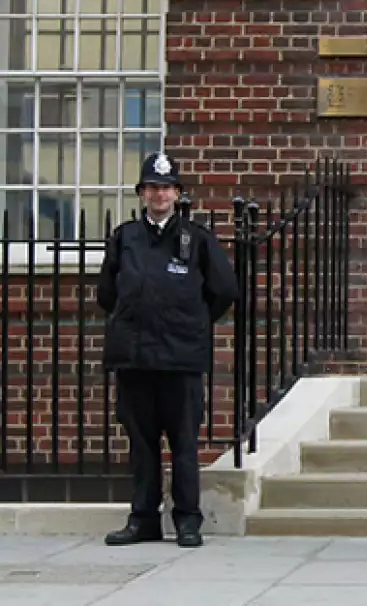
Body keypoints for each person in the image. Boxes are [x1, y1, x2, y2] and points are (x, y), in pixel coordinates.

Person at [97, 152, 238, 549]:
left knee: (183, 444)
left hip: (180, 359)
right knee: (142, 445)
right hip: (136, 358)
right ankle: (143, 519)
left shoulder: (197, 239)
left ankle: (188, 520)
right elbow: (108, 293)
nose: (160, 195)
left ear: (178, 194)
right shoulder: (125, 238)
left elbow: (225, 290)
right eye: (152, 188)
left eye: (167, 187)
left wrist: (191, 322)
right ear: (142, 194)